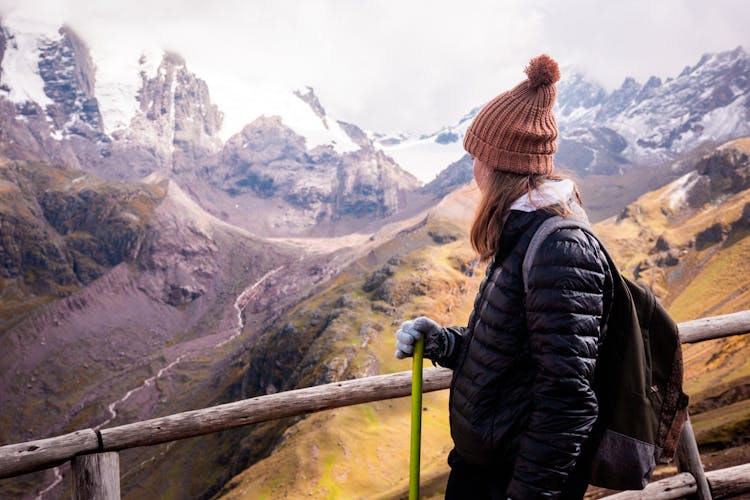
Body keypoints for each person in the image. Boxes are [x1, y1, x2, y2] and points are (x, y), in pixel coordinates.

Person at [395, 54, 614, 499]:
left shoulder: (559, 248)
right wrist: (443, 343)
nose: (472, 168)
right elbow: (514, 354)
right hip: (485, 468)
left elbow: (569, 398)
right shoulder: (523, 230)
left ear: (498, 163)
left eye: (477, 156)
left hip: (511, 481)